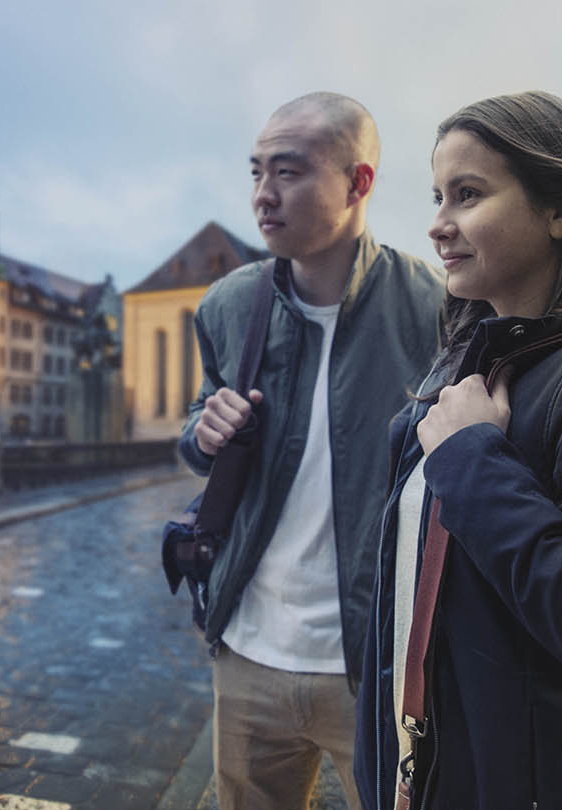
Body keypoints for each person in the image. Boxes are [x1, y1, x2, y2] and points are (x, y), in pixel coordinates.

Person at [353, 91, 562, 809]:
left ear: (559, 210)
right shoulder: (462, 370)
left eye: (469, 195)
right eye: (439, 196)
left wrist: (475, 458)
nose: (438, 226)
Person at [178, 92, 445, 810]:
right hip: (249, 655)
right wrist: (204, 429)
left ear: (359, 183)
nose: (264, 195)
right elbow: (202, 420)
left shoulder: (434, 307)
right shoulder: (229, 305)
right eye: (257, 172)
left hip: (378, 664)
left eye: (289, 172)